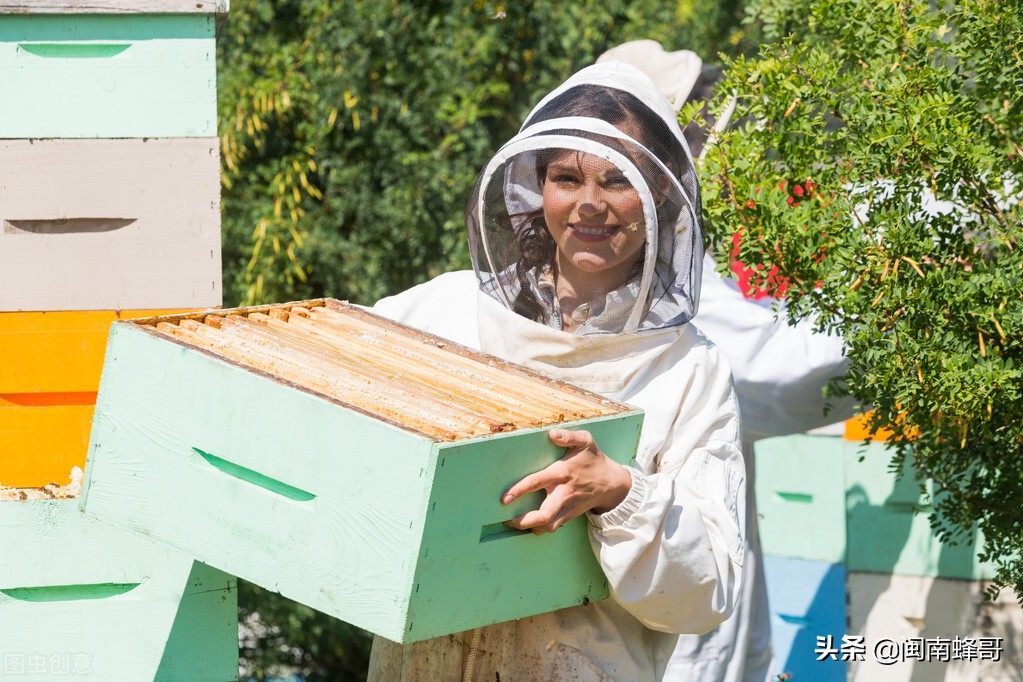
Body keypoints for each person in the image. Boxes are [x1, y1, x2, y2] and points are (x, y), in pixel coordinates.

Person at [366, 61, 747, 681]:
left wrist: (623, 494)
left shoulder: (688, 371)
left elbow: (706, 592)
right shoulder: (440, 311)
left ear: (657, 197)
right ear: (534, 188)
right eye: (566, 178)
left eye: (617, 180)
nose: (589, 204)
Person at [596, 40, 854, 682]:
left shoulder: (662, 256)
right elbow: (775, 374)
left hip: (685, 576)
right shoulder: (659, 275)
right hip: (661, 601)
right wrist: (903, 334)